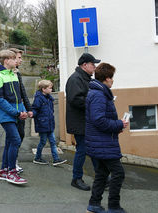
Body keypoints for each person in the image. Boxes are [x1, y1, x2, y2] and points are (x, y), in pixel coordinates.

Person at [85, 63, 128, 213]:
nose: (113, 81)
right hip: (102, 142)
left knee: (102, 174)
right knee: (118, 173)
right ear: (107, 78)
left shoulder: (97, 92)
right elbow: (99, 120)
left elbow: (99, 120)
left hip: (101, 141)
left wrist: (117, 127)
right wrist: (118, 124)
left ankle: (94, 204)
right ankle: (114, 206)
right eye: (112, 78)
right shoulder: (98, 95)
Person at [65, 53, 100, 191]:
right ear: (84, 65)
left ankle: (101, 176)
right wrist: (94, 102)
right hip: (79, 122)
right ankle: (76, 178)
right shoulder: (75, 79)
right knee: (83, 150)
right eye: (93, 64)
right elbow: (75, 100)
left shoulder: (84, 78)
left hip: (85, 121)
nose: (95, 67)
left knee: (92, 149)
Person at [0, 50, 27, 185]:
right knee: (16, 140)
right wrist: (17, 113)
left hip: (16, 114)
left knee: (9, 142)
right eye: (13, 59)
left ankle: (4, 171)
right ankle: (11, 173)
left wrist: (22, 111)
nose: (16, 61)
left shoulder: (14, 74)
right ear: (6, 60)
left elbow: (18, 98)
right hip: (6, 115)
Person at [9, 48, 33, 173]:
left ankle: (12, 161)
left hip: (21, 109)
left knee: (21, 135)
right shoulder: (3, 73)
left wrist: (29, 108)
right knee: (14, 138)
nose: (21, 60)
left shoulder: (17, 73)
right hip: (11, 111)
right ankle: (11, 164)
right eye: (19, 57)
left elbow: (22, 91)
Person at [32, 80, 67, 166]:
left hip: (49, 123)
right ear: (44, 89)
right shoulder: (39, 98)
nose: (51, 89)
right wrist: (31, 114)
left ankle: (56, 159)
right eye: (50, 88)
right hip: (42, 124)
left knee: (52, 141)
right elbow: (35, 109)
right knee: (43, 141)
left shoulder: (48, 98)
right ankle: (37, 157)